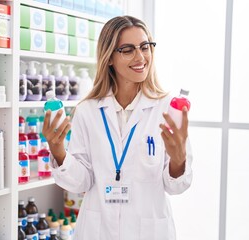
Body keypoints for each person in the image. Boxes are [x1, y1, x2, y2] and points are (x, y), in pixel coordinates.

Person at [42, 15, 193, 240]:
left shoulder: (167, 108)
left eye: (145, 47)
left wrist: (179, 160)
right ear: (109, 57)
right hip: (97, 230)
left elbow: (176, 186)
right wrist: (58, 151)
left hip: (148, 231)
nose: (140, 56)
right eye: (128, 49)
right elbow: (80, 182)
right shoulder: (88, 110)